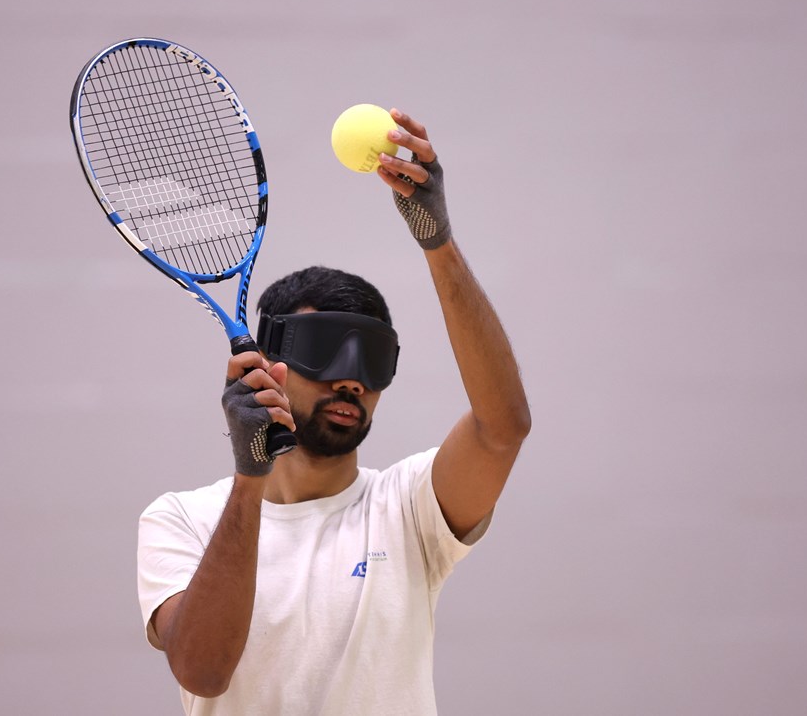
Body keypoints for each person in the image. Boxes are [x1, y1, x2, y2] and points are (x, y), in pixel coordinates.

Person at [137, 109, 531, 715]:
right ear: (268, 365)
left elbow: (503, 427)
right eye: (326, 353)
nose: (351, 379)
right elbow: (204, 671)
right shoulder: (181, 520)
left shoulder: (408, 507)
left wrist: (437, 241)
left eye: (373, 359)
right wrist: (251, 476)